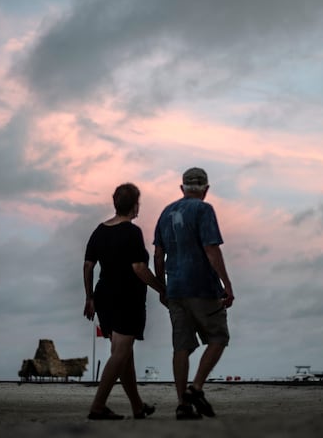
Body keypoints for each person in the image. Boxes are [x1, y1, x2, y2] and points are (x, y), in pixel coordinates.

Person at [153, 167, 235, 420]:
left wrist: (162, 287)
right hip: (202, 286)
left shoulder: (166, 212)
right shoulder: (204, 210)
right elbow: (211, 249)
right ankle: (196, 388)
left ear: (182, 188)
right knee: (218, 336)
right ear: (206, 189)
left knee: (181, 346)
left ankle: (182, 405)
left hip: (175, 289)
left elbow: (158, 254)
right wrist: (226, 284)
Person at [83, 183, 167, 420]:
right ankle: (98, 406)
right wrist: (163, 289)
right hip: (127, 298)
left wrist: (89, 297)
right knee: (120, 353)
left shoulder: (100, 231)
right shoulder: (131, 232)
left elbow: (88, 266)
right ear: (135, 206)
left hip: (104, 297)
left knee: (125, 354)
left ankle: (138, 407)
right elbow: (139, 268)